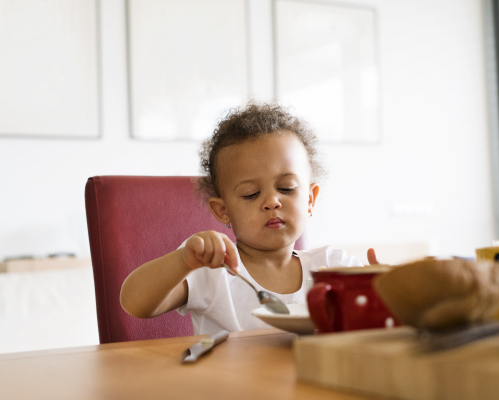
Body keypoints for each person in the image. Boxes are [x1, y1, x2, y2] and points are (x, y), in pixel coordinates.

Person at [120, 102, 379, 336]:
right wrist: (183, 261)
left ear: (310, 199)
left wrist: (388, 287)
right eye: (251, 194)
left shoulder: (333, 268)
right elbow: (135, 304)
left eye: (287, 188)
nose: (272, 201)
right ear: (223, 211)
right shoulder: (212, 273)